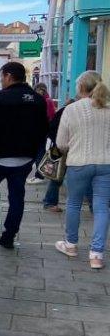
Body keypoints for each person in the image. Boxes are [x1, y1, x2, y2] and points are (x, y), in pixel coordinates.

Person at [0, 61, 49, 248]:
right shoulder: (38, 100)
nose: (1, 80)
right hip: (23, 160)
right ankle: (8, 237)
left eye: (2, 77)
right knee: (17, 199)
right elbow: (43, 130)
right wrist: (33, 153)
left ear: (8, 76)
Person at [55, 71, 110, 270]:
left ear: (80, 88)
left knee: (74, 204)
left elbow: (61, 143)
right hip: (106, 164)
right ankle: (96, 255)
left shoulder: (71, 110)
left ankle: (70, 245)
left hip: (78, 163)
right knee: (102, 207)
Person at [41, 97, 75, 212]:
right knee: (57, 176)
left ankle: (49, 201)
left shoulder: (63, 111)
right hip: (62, 148)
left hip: (64, 147)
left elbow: (50, 128)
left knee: (58, 176)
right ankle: (49, 202)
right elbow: (52, 129)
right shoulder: (65, 112)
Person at [28, 83, 58, 184]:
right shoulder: (47, 100)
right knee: (40, 153)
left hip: (40, 132)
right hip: (41, 131)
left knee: (39, 154)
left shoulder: (42, 101)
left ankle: (39, 175)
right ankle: (39, 174)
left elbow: (50, 117)